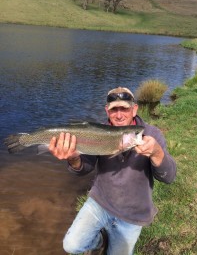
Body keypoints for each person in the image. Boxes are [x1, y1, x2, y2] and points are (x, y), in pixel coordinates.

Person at [49, 87, 176, 255]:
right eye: (114, 109)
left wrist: (157, 153)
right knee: (71, 246)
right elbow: (84, 168)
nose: (119, 115)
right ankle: (99, 241)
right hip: (99, 202)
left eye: (124, 108)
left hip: (133, 213)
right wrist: (73, 158)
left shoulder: (152, 135)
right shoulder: (98, 132)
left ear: (134, 109)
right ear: (107, 111)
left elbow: (169, 177)